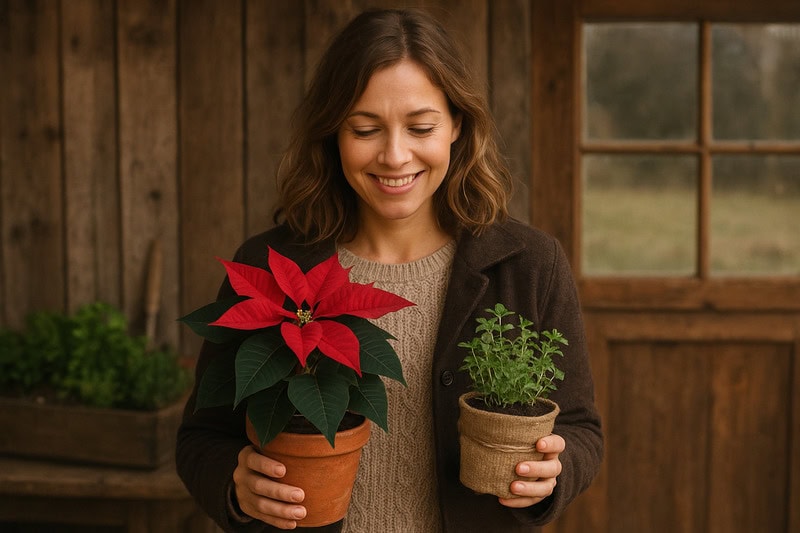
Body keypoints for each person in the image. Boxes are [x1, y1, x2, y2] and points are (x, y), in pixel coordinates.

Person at [176, 7, 602, 533]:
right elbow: (202, 438)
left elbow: (580, 428)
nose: (395, 155)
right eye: (365, 129)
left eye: (420, 126)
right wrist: (236, 485)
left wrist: (553, 474)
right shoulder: (269, 265)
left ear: (457, 127)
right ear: (333, 132)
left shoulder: (529, 264)